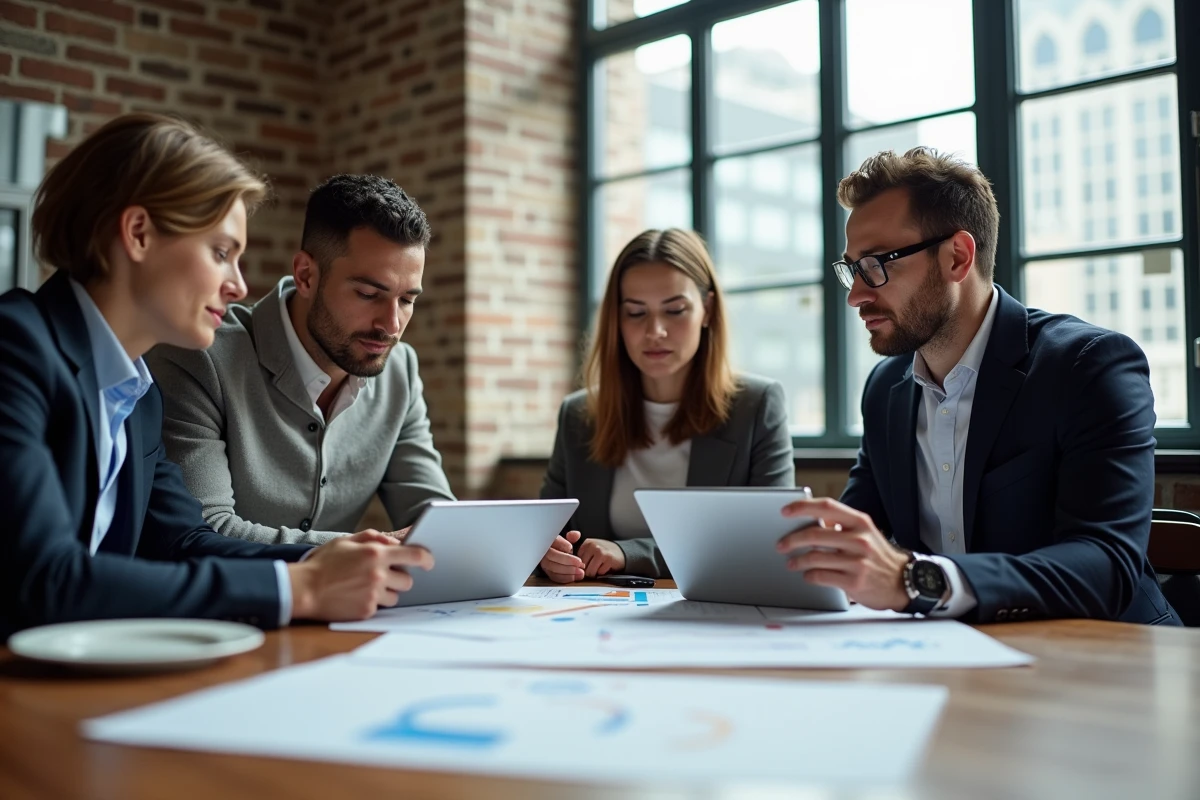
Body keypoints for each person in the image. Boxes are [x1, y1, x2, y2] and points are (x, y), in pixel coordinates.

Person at [0, 113, 432, 638]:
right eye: (221, 253)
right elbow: (42, 580)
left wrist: (337, 559)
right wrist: (304, 589)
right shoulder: (15, 348)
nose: (238, 286)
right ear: (138, 234)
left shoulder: (138, 394)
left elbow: (183, 542)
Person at [776, 147, 1179, 625]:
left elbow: (1107, 566)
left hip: (1105, 664)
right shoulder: (886, 389)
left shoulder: (1087, 367)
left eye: (877, 264)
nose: (857, 295)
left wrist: (919, 580)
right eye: (852, 269)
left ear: (958, 257)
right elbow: (860, 533)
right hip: (951, 658)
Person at [145, 174, 455, 547]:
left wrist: (518, 547)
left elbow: (434, 516)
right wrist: (356, 553)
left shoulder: (400, 372)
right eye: (368, 293)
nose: (391, 324)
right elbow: (203, 530)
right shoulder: (201, 356)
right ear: (306, 275)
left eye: (407, 300)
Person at [539, 228, 795, 582]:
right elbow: (546, 537)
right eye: (635, 312)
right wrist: (549, 555)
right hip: (595, 616)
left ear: (706, 310)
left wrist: (630, 552)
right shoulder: (578, 415)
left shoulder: (757, 406)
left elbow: (769, 540)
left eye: (675, 310)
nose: (655, 330)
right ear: (617, 320)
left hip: (715, 618)